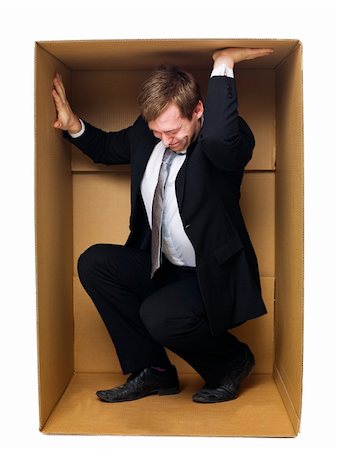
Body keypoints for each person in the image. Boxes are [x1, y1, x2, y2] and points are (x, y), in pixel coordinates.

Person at [52, 47, 273, 404]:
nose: (165, 140)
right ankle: (154, 372)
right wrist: (73, 125)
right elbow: (109, 148)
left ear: (198, 111)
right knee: (95, 263)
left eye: (173, 130)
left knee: (159, 316)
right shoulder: (149, 133)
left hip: (209, 274)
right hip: (163, 265)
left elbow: (218, 136)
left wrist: (223, 65)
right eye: (157, 131)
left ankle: (232, 361)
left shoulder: (223, 146)